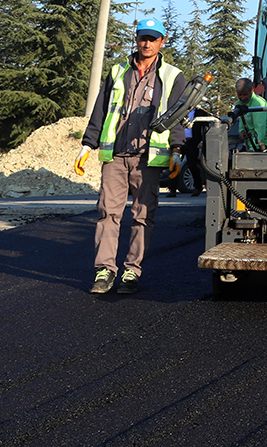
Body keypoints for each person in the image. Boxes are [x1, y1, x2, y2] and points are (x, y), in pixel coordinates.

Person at [79, 18, 188, 295]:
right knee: (107, 213)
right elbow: (101, 109)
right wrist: (88, 144)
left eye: (153, 38)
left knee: (143, 215)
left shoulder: (173, 76)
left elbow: (177, 116)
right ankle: (104, 270)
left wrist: (177, 150)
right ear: (136, 39)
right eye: (143, 37)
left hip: (148, 158)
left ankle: (131, 272)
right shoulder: (118, 71)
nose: (147, 43)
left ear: (162, 42)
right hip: (115, 155)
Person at [232, 78, 267, 152]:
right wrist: (242, 130)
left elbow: (260, 129)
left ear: (252, 90)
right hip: (249, 142)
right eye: (240, 95)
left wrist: (252, 150)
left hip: (263, 143)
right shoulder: (240, 103)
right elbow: (242, 118)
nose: (242, 98)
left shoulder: (258, 104)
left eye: (245, 94)